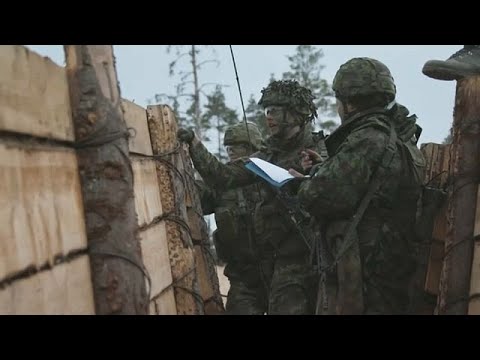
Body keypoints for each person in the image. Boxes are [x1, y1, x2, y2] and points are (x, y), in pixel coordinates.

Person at [178, 80, 328, 315]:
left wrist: (316, 173)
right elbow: (223, 176)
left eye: (275, 110)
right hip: (276, 263)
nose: (269, 117)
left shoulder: (322, 151)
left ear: (297, 113)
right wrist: (195, 145)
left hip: (312, 259)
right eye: (266, 111)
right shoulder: (266, 157)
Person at [290, 57, 426, 314]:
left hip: (364, 271)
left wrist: (301, 185)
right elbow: (372, 183)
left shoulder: (368, 137)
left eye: (338, 100)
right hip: (394, 263)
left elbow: (325, 195)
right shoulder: (399, 136)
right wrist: (324, 168)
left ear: (349, 102)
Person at [196, 122, 271, 315]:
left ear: (251, 148)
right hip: (243, 277)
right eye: (228, 148)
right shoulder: (221, 185)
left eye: (235, 148)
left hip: (278, 270)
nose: (230, 153)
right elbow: (200, 200)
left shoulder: (269, 174)